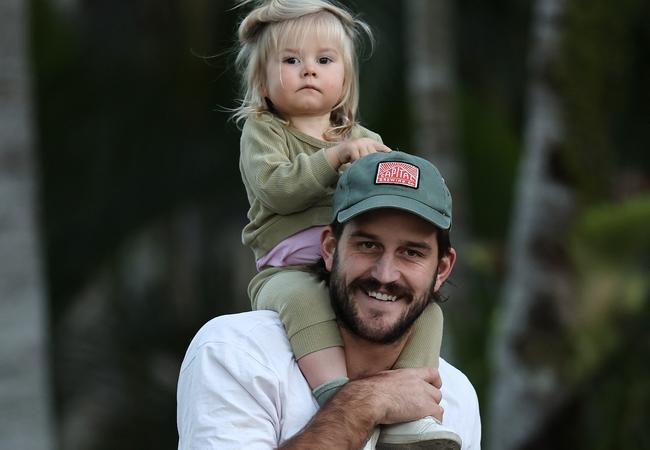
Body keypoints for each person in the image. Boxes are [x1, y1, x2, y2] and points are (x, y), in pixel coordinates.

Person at [232, 0, 459, 446]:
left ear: (345, 79)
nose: (308, 71)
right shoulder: (264, 130)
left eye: (323, 60)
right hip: (287, 269)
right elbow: (274, 187)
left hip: (343, 269)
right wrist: (332, 159)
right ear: (262, 79)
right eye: (291, 60)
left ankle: (411, 412)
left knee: (429, 313)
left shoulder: (361, 138)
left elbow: (393, 188)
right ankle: (336, 393)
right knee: (303, 299)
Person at [177, 151, 481, 449]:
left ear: (441, 269)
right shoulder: (236, 352)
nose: (385, 274)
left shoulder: (456, 395)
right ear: (330, 249)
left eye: (411, 253)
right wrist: (366, 402)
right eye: (368, 245)